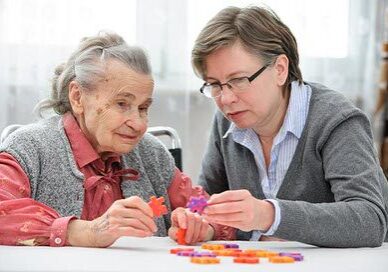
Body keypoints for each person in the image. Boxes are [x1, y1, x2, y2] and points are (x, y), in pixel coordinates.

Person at [171, 6, 388, 248]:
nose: (226, 99)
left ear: (280, 69)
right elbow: (208, 201)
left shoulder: (337, 120)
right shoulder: (227, 119)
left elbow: (370, 220)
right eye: (215, 85)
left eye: (238, 80)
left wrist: (268, 215)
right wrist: (199, 222)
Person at [0, 32, 224, 247]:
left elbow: (203, 205)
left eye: (144, 107)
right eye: (121, 104)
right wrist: (87, 232)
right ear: (77, 97)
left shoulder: (152, 154)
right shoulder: (29, 148)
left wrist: (202, 225)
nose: (138, 123)